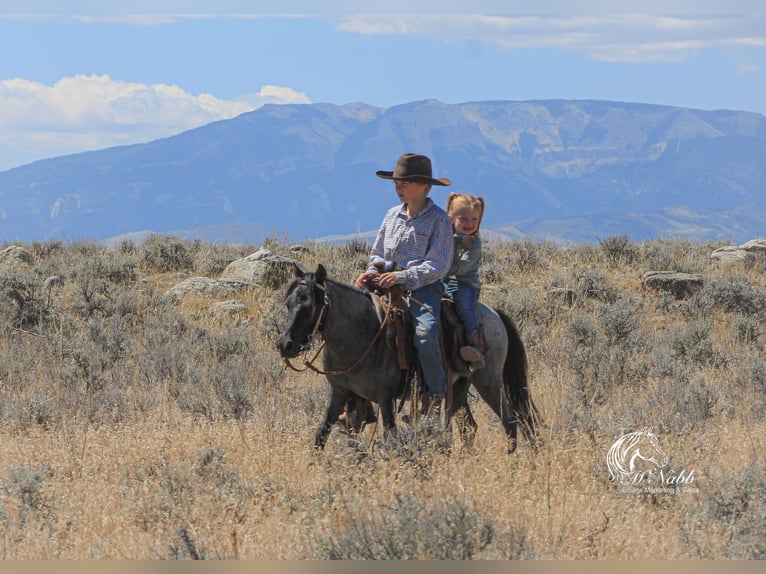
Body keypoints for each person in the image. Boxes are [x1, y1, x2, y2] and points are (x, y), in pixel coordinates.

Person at [355, 153, 454, 415]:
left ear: (424, 186)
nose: (398, 188)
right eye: (397, 183)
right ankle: (356, 395)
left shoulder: (439, 220)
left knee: (425, 333)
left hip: (423, 289)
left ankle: (435, 393)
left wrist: (402, 277)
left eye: (405, 183)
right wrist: (371, 272)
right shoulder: (391, 215)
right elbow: (378, 253)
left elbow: (439, 265)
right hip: (385, 286)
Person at [443, 192, 486, 368]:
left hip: (465, 284)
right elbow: (449, 239)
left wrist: (438, 268)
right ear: (451, 218)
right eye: (464, 219)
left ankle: (476, 342)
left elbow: (461, 268)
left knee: (463, 305)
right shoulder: (448, 238)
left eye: (474, 220)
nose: (469, 224)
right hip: (446, 281)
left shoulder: (474, 244)